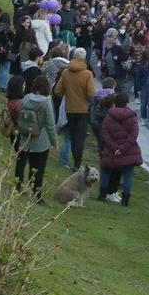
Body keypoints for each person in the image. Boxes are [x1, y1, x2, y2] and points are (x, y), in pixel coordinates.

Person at [15, 75, 57, 204]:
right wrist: (54, 141)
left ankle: (18, 185)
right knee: (38, 168)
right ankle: (36, 195)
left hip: (25, 137)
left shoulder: (26, 97)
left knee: (21, 162)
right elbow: (50, 124)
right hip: (40, 140)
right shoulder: (46, 102)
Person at [53, 48, 95, 170]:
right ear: (84, 58)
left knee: (70, 136)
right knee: (80, 138)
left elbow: (57, 91)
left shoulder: (66, 72)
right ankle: (77, 164)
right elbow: (91, 94)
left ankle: (69, 160)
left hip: (69, 108)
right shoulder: (88, 74)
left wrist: (68, 95)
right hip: (83, 109)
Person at [98, 93, 142, 206]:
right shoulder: (131, 117)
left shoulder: (109, 116)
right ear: (127, 103)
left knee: (106, 170)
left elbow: (105, 132)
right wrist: (123, 148)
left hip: (111, 150)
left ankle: (102, 194)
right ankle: (125, 199)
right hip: (128, 151)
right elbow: (134, 134)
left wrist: (114, 148)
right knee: (128, 174)